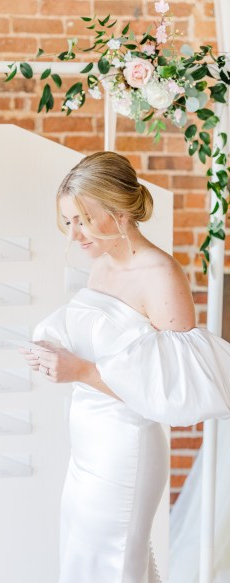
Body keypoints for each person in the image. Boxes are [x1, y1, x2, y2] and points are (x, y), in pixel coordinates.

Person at [18, 151, 230, 583]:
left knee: (112, 563)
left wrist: (78, 372)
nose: (74, 233)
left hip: (125, 446)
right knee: (84, 556)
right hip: (87, 442)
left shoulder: (160, 274)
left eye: (82, 219)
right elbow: (113, 347)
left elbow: (171, 389)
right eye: (68, 221)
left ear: (118, 212)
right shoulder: (100, 265)